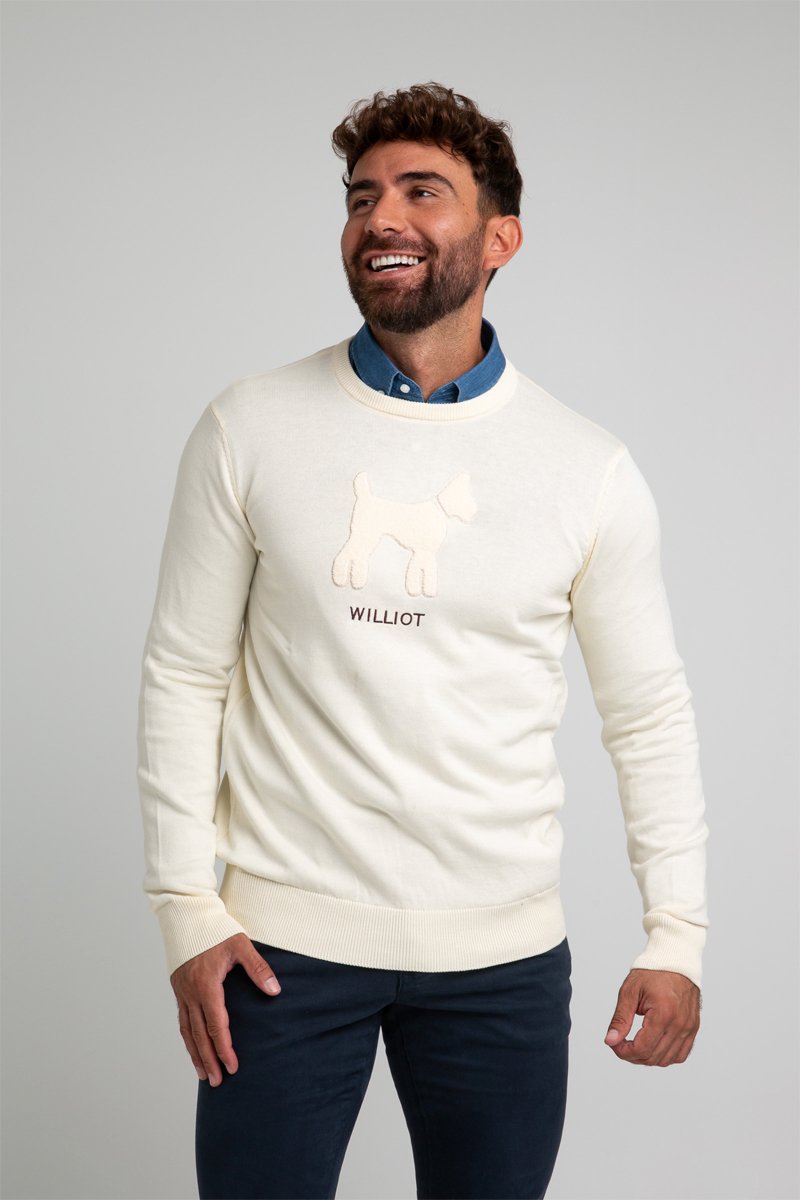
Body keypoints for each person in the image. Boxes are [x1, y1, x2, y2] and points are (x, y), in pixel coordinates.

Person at [137, 81, 709, 1200]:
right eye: (361, 197)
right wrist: (185, 911)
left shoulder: (585, 468)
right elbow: (184, 673)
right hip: (278, 953)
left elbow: (647, 714)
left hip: (501, 963)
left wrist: (675, 936)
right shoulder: (248, 427)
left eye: (420, 192)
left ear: (500, 239)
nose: (380, 218)